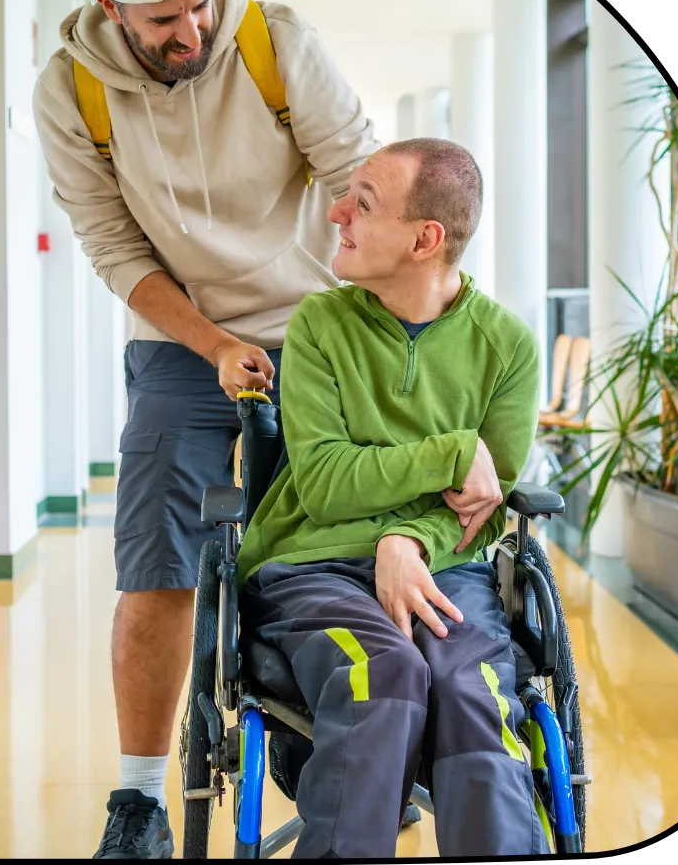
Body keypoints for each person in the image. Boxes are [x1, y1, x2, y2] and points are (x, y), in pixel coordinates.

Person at [31, 0, 382, 859]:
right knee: (156, 564)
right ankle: (138, 800)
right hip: (186, 342)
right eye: (163, 20)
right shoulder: (72, 90)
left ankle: (339, 747)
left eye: (197, 5)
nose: (190, 30)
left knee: (335, 537)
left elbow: (357, 174)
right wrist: (213, 344)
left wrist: (371, 326)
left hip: (319, 329)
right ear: (111, 8)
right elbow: (111, 244)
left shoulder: (274, 41)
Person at [235, 137, 551, 857]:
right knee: (383, 673)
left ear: (424, 238)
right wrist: (449, 452)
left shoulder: (506, 347)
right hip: (312, 566)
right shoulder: (321, 326)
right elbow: (322, 482)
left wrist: (403, 543)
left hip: (446, 569)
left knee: (474, 696)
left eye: (363, 203)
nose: (338, 212)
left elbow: (483, 507)